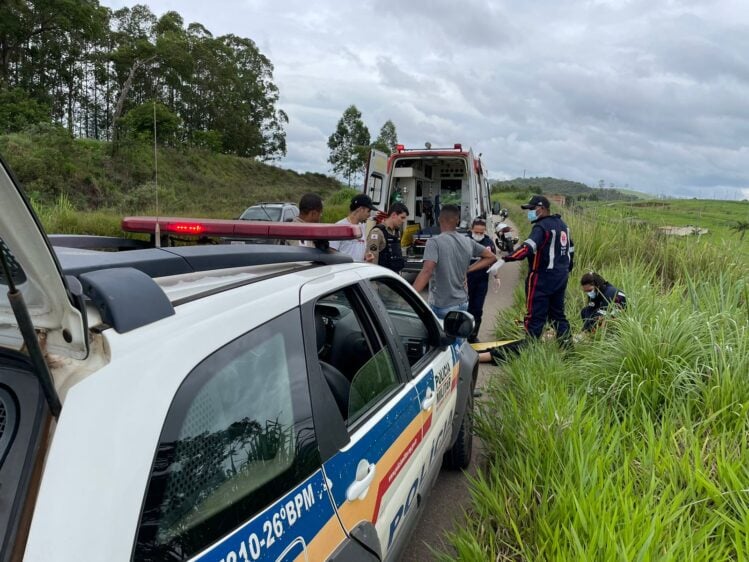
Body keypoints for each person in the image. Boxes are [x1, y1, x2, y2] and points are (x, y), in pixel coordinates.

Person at [492, 194, 574, 344]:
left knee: (535, 315)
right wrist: (568, 268)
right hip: (561, 276)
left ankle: (530, 346)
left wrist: (504, 259)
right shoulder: (563, 226)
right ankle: (567, 348)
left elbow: (527, 248)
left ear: (541, 209)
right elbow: (571, 249)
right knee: (558, 315)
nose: (528, 212)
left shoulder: (541, 227)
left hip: (541, 278)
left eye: (531, 209)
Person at [412, 204, 497, 319]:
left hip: (441, 305)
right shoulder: (467, 241)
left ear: (439, 219)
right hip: (462, 303)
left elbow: (427, 271)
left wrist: (410, 296)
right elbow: (491, 257)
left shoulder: (434, 242)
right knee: (459, 335)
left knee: (440, 336)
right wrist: (468, 269)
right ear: (457, 221)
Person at [466, 218, 496, 342]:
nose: (478, 235)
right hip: (465, 280)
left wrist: (496, 276)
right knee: (464, 308)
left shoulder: (489, 243)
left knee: (477, 309)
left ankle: (473, 336)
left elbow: (493, 261)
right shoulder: (465, 241)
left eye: (481, 233)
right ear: (471, 229)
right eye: (476, 232)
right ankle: (461, 335)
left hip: (481, 281)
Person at [329, 194, 376, 261]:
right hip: (343, 270)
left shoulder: (362, 227)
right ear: (361, 209)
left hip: (357, 270)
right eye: (368, 211)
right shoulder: (339, 227)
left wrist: (366, 256)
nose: (369, 215)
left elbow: (358, 251)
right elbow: (331, 253)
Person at [366, 202, 409, 272]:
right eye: (402, 217)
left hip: (393, 276)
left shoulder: (396, 232)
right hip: (381, 279)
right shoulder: (377, 232)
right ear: (394, 215)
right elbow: (372, 261)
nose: (403, 221)